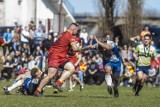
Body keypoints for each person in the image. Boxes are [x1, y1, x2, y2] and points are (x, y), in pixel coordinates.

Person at [34, 23, 82, 96]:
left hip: (61, 56)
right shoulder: (69, 36)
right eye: (77, 30)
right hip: (55, 56)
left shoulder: (64, 33)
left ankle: (58, 83)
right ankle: (38, 91)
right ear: (74, 29)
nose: (77, 32)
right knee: (50, 75)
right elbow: (75, 49)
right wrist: (80, 48)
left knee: (71, 68)